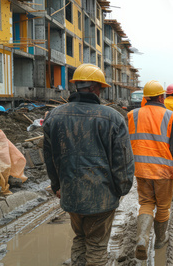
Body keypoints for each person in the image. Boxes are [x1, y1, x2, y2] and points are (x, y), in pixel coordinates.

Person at [43, 64, 135, 266]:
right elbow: (123, 161)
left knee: (80, 238)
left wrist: (58, 187)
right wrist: (121, 189)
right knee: (96, 246)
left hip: (71, 195)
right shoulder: (113, 118)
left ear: (77, 86)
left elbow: (50, 158)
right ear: (95, 88)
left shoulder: (54, 116)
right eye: (101, 88)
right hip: (102, 198)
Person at [128, 80, 173, 260]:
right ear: (162, 97)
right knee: (162, 206)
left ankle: (142, 239)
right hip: (163, 171)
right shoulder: (170, 116)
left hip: (141, 169)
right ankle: (160, 239)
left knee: (146, 203)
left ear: (145, 98)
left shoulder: (132, 115)